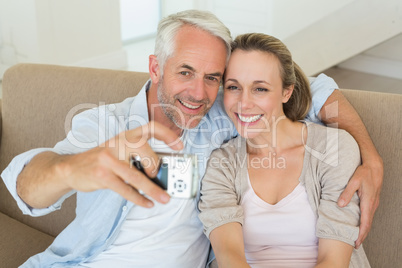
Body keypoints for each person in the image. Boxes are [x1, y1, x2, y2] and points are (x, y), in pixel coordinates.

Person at [1, 10, 380, 267]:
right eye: (185, 71)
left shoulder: (225, 117)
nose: (199, 93)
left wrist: (371, 157)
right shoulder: (105, 125)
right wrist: (69, 170)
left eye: (213, 77)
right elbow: (28, 190)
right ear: (155, 67)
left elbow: (311, 89)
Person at [198, 33, 371, 267]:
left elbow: (334, 261)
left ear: (286, 92)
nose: (244, 103)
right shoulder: (222, 162)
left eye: (260, 89)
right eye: (233, 87)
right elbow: (229, 257)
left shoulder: (333, 148)